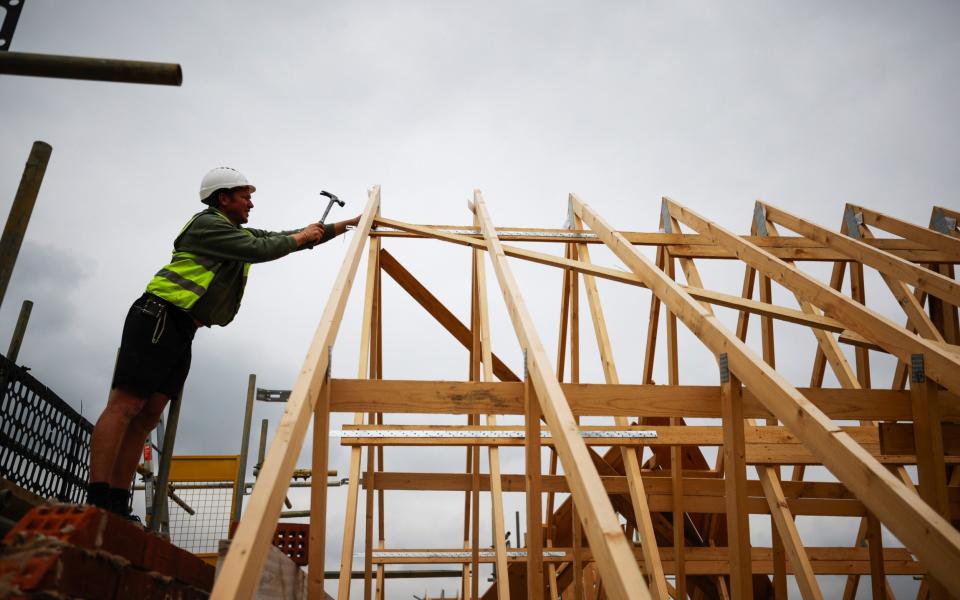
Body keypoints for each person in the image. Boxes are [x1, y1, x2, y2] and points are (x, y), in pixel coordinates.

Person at [87, 167, 360, 517]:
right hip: (158, 316)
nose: (251, 203)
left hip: (182, 327)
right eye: (245, 196)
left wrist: (346, 225)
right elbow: (266, 247)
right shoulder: (208, 225)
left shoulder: (234, 231)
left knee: (147, 416)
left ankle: (116, 502)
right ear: (223, 198)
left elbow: (285, 237)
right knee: (126, 405)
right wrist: (301, 237)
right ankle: (97, 496)